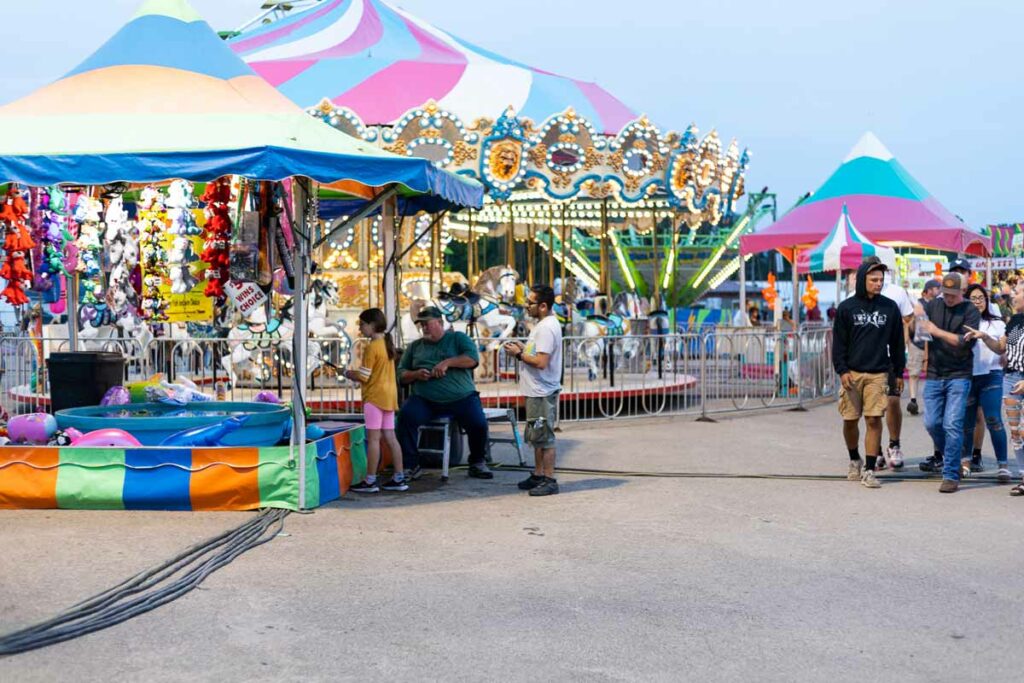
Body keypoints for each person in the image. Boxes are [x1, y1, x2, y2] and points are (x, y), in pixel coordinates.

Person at [395, 306, 494, 480]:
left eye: (427, 324)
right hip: (425, 398)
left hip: (461, 397)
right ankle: (411, 464)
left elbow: (472, 359)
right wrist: (416, 374)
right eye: (421, 325)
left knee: (478, 423)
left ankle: (477, 461)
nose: (424, 328)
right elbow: (401, 374)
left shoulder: (458, 338)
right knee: (405, 417)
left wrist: (448, 362)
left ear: (440, 322)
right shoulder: (414, 347)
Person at [832, 259, 906, 488]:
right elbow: (838, 344)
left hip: (879, 373)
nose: (878, 283)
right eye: (874, 280)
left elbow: (896, 342)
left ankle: (870, 469)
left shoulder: (889, 307)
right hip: (852, 373)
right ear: (862, 280)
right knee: (850, 420)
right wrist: (842, 370)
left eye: (881, 280)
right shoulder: (847, 308)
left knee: (874, 419)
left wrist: (898, 373)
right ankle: (854, 458)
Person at [918, 273, 980, 493]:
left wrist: (935, 331)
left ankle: (951, 474)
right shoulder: (934, 305)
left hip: (960, 374)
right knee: (932, 423)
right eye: (946, 294)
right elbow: (917, 319)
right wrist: (917, 315)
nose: (949, 298)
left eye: (953, 295)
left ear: (962, 292)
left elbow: (962, 343)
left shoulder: (970, 311)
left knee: (952, 424)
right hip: (935, 372)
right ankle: (953, 458)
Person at [503, 285, 563, 497]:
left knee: (544, 436)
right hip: (536, 390)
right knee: (536, 435)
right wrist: (523, 347)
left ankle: (549, 478)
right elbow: (536, 352)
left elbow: (541, 361)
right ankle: (538, 474)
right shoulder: (543, 325)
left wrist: (519, 354)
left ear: (544, 306)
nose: (526, 306)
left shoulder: (546, 328)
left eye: (530, 303)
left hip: (541, 391)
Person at [346, 308, 408, 493]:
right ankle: (399, 477)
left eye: (362, 324)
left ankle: (370, 480)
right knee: (390, 437)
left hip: (374, 398)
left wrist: (348, 373)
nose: (360, 329)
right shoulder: (386, 343)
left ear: (372, 325)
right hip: (389, 397)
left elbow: (364, 376)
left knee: (373, 440)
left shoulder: (372, 347)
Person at [960, 285, 1010, 482]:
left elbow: (1000, 349)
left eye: (981, 298)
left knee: (994, 420)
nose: (978, 301)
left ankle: (1003, 465)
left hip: (991, 375)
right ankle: (965, 463)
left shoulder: (996, 323)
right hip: (966, 376)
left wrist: (984, 336)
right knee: (966, 423)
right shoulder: (960, 322)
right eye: (973, 298)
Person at [879, 269, 915, 468]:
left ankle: (894, 444)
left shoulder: (896, 292)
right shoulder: (853, 297)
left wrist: (904, 339)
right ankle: (874, 449)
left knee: (893, 401)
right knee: (874, 406)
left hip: (892, 357)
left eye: (879, 276)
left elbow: (909, 319)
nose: (877, 281)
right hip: (867, 359)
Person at [906, 279, 940, 416]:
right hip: (918, 343)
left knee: (932, 374)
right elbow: (908, 323)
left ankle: (930, 402)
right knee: (914, 373)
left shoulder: (938, 304)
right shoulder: (918, 304)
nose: (939, 290)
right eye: (937, 288)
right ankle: (913, 399)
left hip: (934, 343)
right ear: (929, 290)